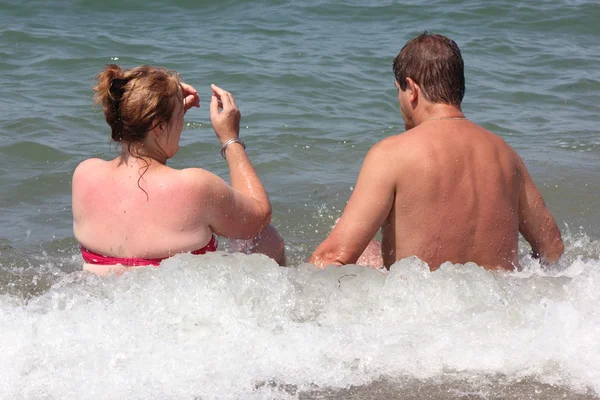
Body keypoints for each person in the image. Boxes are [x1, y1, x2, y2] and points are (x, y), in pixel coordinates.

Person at [310, 32, 563, 271]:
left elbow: (333, 258)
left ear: (412, 90)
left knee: (356, 251)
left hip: (422, 310)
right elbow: (552, 248)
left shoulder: (392, 154)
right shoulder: (507, 156)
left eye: (398, 90)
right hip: (496, 308)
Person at [73, 64, 285, 275]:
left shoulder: (85, 174)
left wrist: (165, 113)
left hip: (105, 300)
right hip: (170, 303)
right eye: (180, 118)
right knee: (267, 238)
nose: (182, 125)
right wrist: (230, 139)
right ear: (160, 127)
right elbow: (259, 217)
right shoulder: (196, 186)